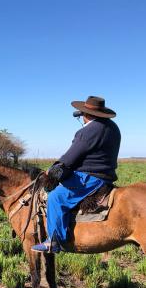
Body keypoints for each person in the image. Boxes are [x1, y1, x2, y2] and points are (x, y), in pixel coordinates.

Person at [32, 96, 121, 253]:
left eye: (82, 115)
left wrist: (51, 171)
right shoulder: (113, 128)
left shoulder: (88, 131)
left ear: (86, 114)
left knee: (55, 197)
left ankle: (53, 241)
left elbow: (70, 158)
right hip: (106, 175)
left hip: (90, 177)